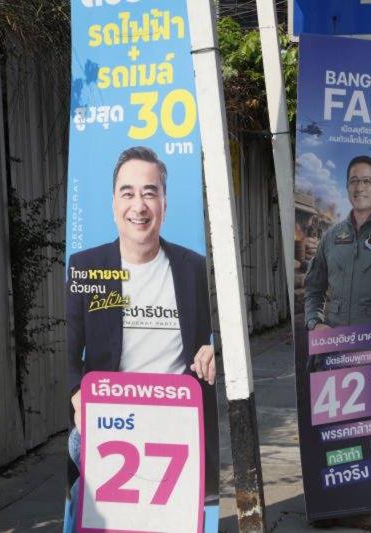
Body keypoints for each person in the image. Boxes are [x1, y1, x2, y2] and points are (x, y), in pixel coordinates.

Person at [65, 146, 218, 527]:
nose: (139, 205)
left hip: (174, 426)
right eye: (128, 193)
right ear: (113, 202)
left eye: (150, 192)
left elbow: (228, 333)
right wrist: (76, 396)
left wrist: (217, 352)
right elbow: (65, 347)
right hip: (109, 423)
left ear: (164, 202)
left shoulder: (194, 269)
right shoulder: (88, 268)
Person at [303, 155, 371, 340]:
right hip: (334, 345)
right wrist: (314, 322)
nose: (359, 187)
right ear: (347, 187)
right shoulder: (331, 237)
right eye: (353, 181)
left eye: (366, 181)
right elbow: (314, 288)